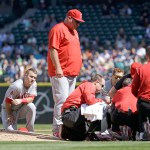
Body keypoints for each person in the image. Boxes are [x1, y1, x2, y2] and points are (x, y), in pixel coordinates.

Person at [47, 9, 85, 137]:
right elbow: (53, 49)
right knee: (62, 101)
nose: (78, 24)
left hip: (72, 72)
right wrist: (58, 67)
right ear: (69, 18)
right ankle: (57, 130)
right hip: (61, 72)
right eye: (77, 22)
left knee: (69, 104)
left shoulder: (74, 32)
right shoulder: (58, 29)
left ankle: (66, 129)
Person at [60, 74, 110, 141]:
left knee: (82, 137)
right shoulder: (89, 85)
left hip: (70, 117)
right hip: (70, 114)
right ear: (96, 82)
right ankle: (96, 133)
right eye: (102, 86)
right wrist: (103, 100)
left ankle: (65, 131)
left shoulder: (88, 86)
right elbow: (90, 101)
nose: (102, 88)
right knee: (98, 106)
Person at [1, 68, 38, 132]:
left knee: (32, 106)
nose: (33, 79)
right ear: (25, 75)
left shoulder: (34, 84)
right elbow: (7, 102)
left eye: (35, 78)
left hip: (20, 108)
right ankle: (9, 128)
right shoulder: (16, 86)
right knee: (10, 131)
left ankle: (30, 130)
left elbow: (31, 99)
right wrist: (9, 114)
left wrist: (21, 100)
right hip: (8, 110)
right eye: (31, 77)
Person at [131, 46, 150, 140]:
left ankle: (142, 133)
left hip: (144, 103)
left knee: (141, 112)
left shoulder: (141, 69)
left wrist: (139, 97)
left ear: (147, 56)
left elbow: (133, 89)